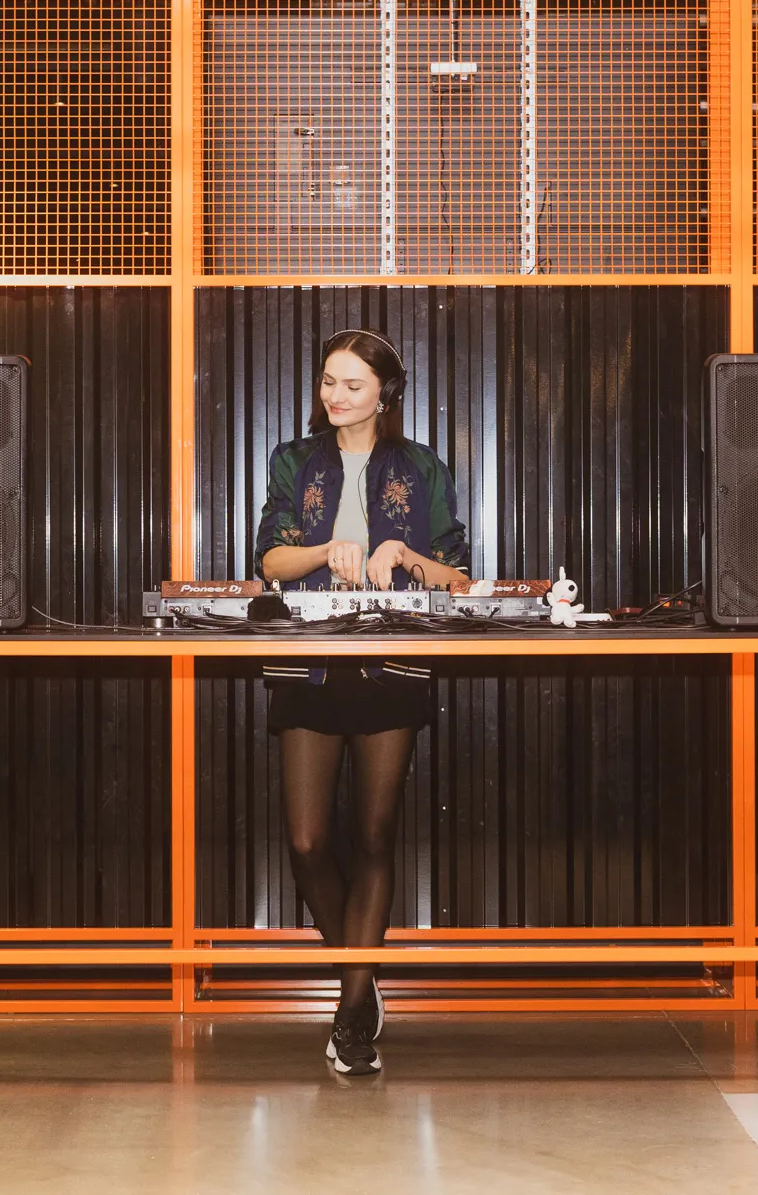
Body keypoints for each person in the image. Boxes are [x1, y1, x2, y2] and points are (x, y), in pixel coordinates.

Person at [253, 327, 469, 1076]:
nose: (336, 396)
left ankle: (352, 1009)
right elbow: (270, 559)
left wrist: (405, 555)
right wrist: (325, 552)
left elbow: (459, 577)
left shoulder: (423, 467)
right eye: (328, 382)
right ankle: (362, 973)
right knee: (308, 843)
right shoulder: (294, 460)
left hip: (391, 665)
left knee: (375, 837)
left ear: (385, 393)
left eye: (352, 384)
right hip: (307, 665)